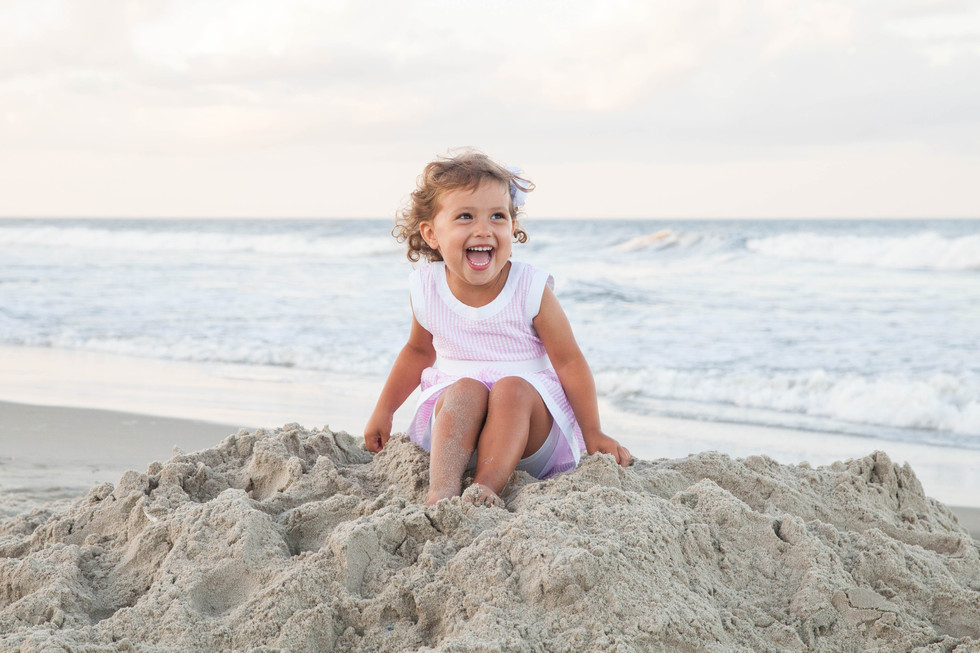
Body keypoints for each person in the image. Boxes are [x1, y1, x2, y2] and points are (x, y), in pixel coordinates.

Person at [364, 150, 631, 508]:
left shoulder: (530, 289)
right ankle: (442, 489)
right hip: (453, 439)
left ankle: (486, 487)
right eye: (464, 216)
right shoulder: (427, 288)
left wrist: (592, 431)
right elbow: (417, 352)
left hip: (527, 437)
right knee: (466, 390)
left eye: (497, 216)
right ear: (431, 234)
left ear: (513, 227)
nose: (483, 229)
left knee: (511, 390)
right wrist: (384, 410)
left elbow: (568, 361)